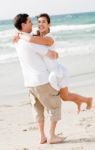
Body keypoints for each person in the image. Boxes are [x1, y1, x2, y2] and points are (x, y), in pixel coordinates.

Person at [19, 13, 93, 113]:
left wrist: (19, 34)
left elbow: (31, 39)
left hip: (57, 73)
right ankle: (83, 101)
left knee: (65, 96)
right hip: (51, 72)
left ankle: (87, 100)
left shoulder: (49, 38)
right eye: (39, 22)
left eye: (44, 22)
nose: (41, 24)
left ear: (49, 24)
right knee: (65, 97)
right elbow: (31, 39)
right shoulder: (38, 35)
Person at [13, 13, 66, 144]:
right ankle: (52, 136)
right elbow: (51, 54)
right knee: (55, 106)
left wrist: (19, 34)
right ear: (23, 25)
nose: (33, 24)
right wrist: (55, 54)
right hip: (41, 80)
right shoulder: (31, 41)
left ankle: (42, 136)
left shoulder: (17, 41)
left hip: (29, 83)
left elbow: (34, 38)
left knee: (38, 110)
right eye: (30, 22)